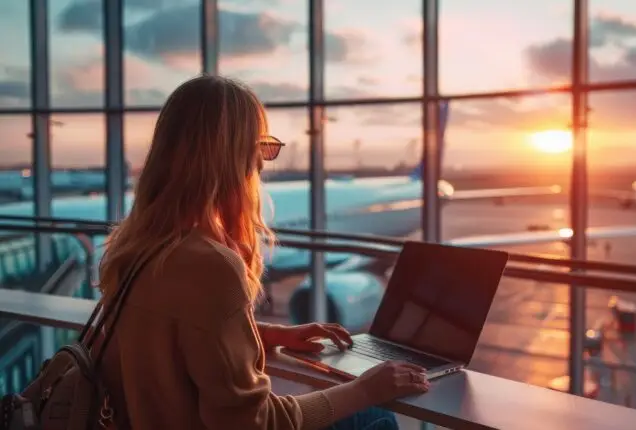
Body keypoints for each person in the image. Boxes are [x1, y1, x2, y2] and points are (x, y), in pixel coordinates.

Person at [96, 75, 429, 430]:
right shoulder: (210, 265)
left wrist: (265, 334)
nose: (261, 163)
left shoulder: (134, 245)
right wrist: (366, 389)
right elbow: (255, 423)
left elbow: (171, 340)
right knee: (375, 416)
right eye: (259, 146)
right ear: (233, 155)